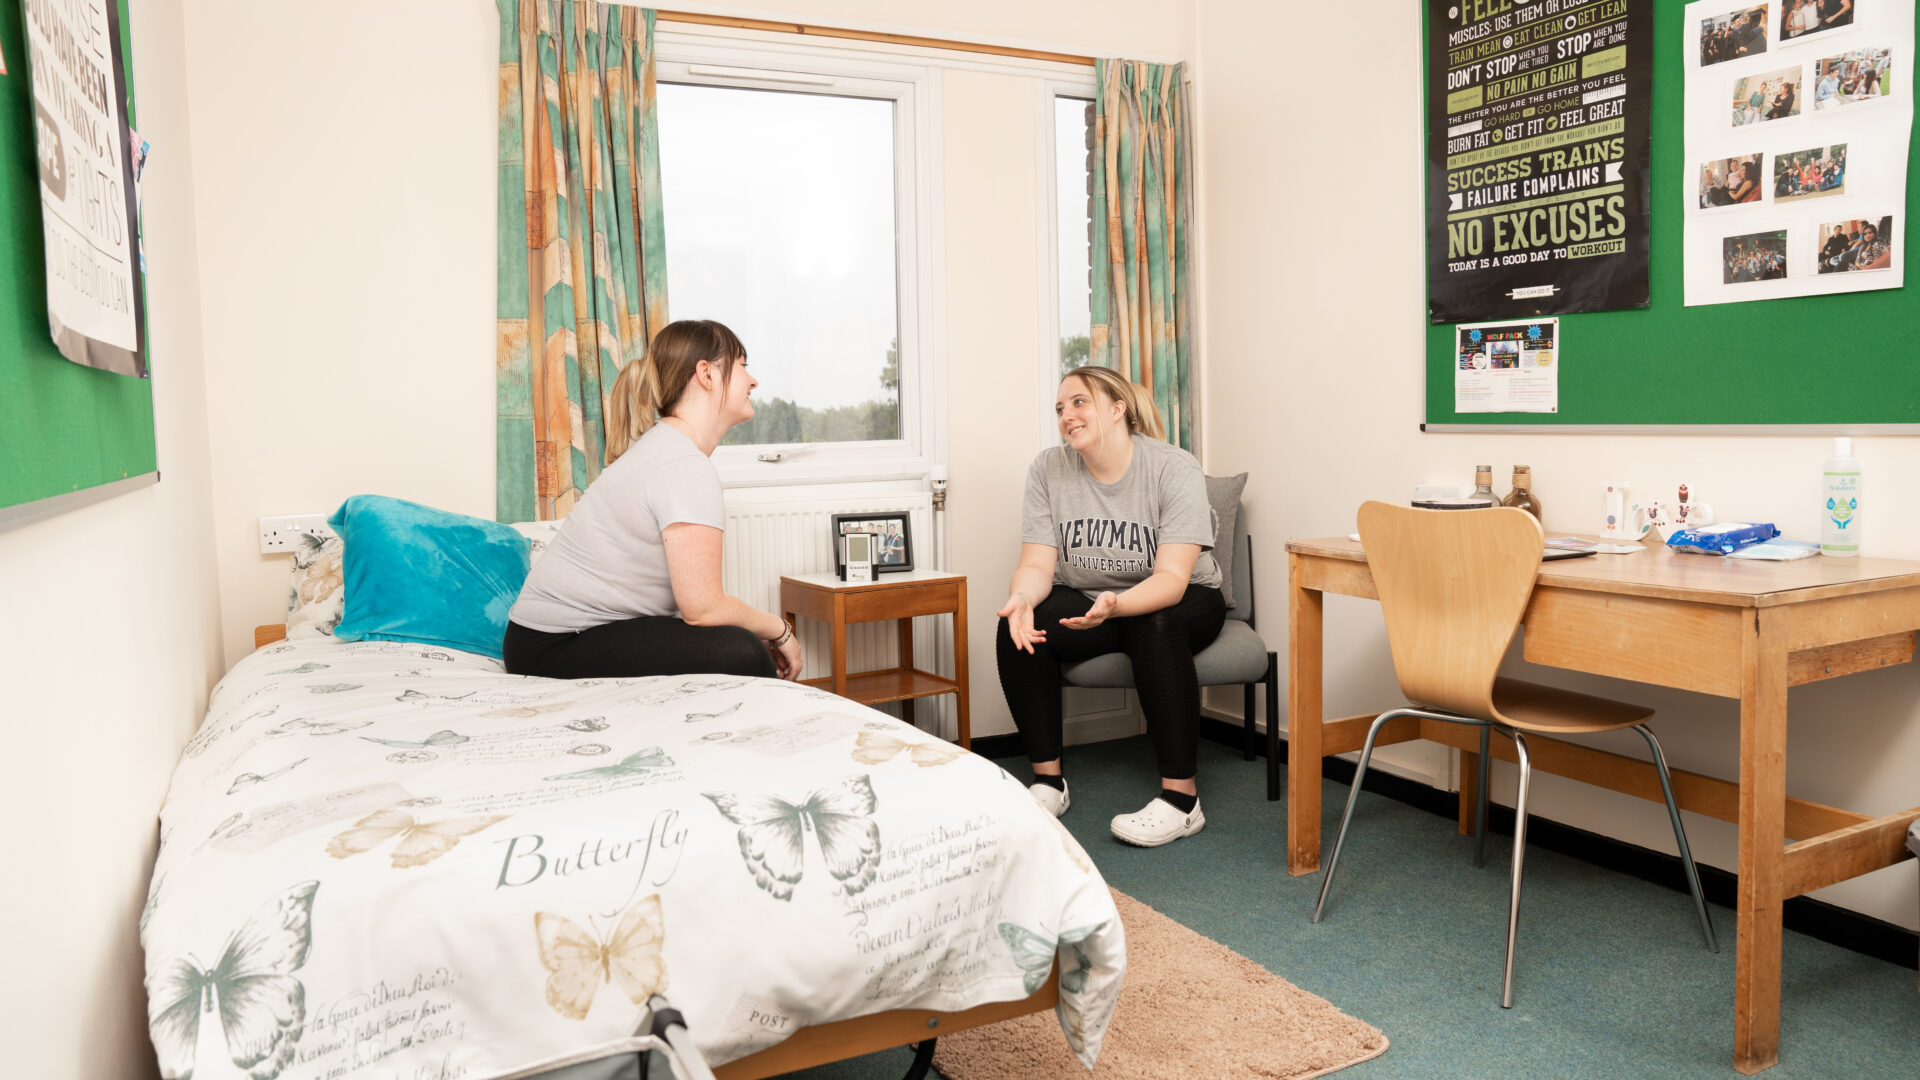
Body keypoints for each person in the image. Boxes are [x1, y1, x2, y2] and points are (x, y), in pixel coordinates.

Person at [996, 365, 1224, 848]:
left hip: (1180, 599)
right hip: (1091, 599)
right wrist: (1020, 596)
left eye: (1079, 402)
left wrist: (1118, 606)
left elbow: (1170, 579)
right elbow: (1037, 565)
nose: (1067, 415)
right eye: (1060, 408)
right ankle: (1048, 783)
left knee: (1154, 622)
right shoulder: (1048, 468)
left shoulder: (1172, 466)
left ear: (1118, 409)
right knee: (1020, 623)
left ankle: (1183, 801)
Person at [503, 319, 803, 682]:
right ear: (706, 374)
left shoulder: (666, 448)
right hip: (550, 647)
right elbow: (702, 608)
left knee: (737, 644)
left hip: (538, 641)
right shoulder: (683, 464)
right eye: (742, 365)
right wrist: (778, 629)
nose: (752, 381)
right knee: (743, 652)